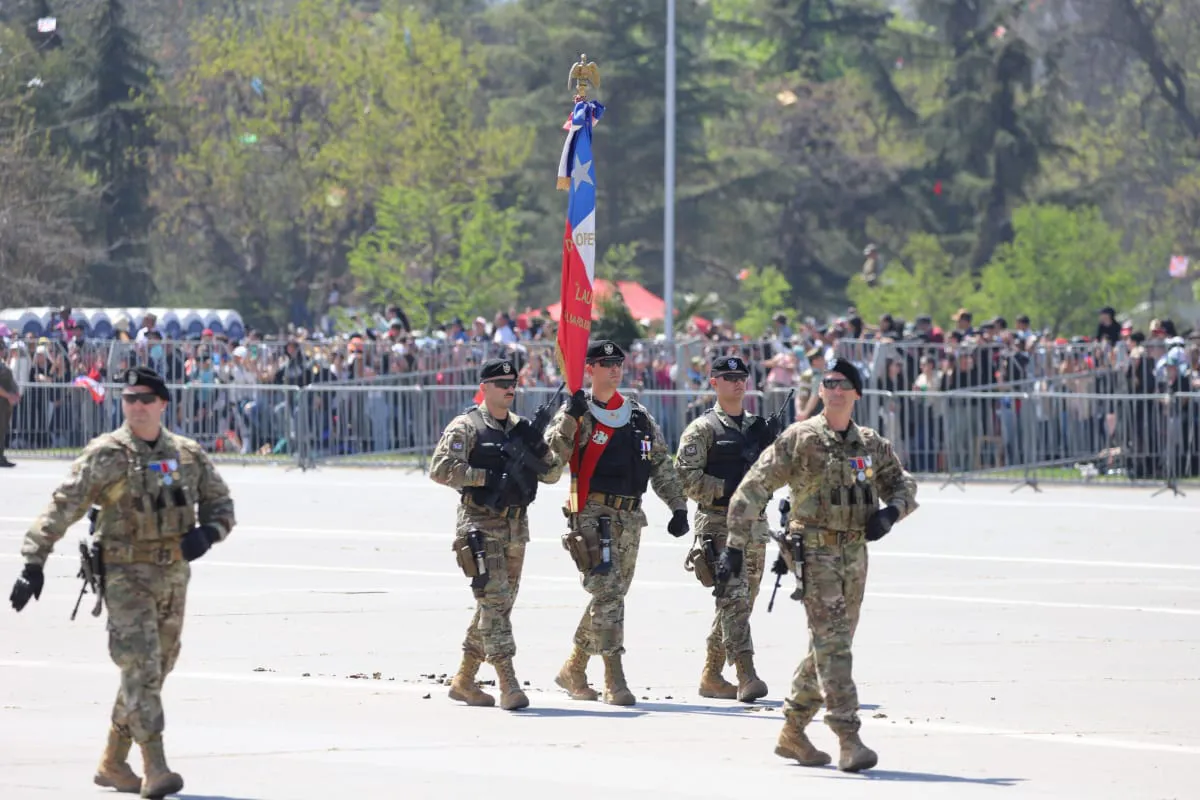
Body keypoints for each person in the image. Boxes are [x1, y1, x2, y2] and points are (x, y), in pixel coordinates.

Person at [8, 365, 237, 798]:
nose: (136, 405)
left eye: (145, 399)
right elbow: (63, 506)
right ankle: (156, 766)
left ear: (162, 404)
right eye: (129, 398)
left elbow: (221, 503)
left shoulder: (187, 454)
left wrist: (208, 533)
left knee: (154, 671)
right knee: (141, 666)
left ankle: (113, 761)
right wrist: (33, 560)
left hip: (173, 575)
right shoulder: (106, 453)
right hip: (124, 576)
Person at [723, 358, 918, 772]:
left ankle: (793, 730)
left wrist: (891, 512)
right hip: (814, 550)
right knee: (834, 643)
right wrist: (736, 545)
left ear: (857, 393)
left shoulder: (869, 443)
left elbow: (903, 484)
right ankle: (848, 736)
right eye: (827, 383)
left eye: (842, 383)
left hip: (854, 553)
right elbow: (754, 486)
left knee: (830, 642)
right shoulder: (802, 437)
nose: (833, 389)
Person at [544, 340, 689, 706]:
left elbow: (660, 462)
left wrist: (677, 506)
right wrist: (568, 419)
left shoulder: (637, 415)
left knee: (610, 597)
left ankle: (574, 669)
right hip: (591, 514)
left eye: (618, 362)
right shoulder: (579, 412)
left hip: (630, 518)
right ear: (589, 369)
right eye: (605, 362)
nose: (614, 368)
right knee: (608, 594)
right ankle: (614, 677)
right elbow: (548, 468)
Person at [429, 357, 559, 711]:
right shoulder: (467, 425)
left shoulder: (522, 429)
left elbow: (552, 474)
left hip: (516, 526)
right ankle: (508, 680)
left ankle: (465, 680)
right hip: (479, 523)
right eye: (501, 384)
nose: (509, 390)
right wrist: (485, 477)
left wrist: (559, 432)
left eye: (513, 384)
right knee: (495, 602)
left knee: (497, 604)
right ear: (484, 387)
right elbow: (440, 469)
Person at [675, 355, 779, 702]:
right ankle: (746, 673)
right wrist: (728, 485)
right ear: (714, 382)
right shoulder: (703, 429)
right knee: (733, 599)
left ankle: (711, 675)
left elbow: (773, 479)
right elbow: (686, 477)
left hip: (754, 524)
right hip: (718, 523)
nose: (737, 382)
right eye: (728, 376)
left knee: (741, 602)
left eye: (741, 376)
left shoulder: (757, 427)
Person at [0, 339, 19, 467]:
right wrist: (8, 396)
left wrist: (15, 394)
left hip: (5, 404)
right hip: (3, 401)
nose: (2, 351)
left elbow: (12, 383)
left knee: (2, 430)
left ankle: (1, 456)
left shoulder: (3, 366)